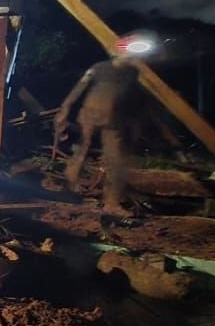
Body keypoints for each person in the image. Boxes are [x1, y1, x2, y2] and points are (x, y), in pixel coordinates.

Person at [54, 40, 149, 216]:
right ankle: (67, 191)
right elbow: (78, 89)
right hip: (90, 116)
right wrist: (65, 109)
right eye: (128, 52)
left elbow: (133, 100)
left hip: (114, 121)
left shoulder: (132, 73)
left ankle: (111, 204)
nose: (131, 56)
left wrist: (134, 123)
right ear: (118, 53)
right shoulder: (100, 68)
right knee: (82, 151)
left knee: (116, 160)